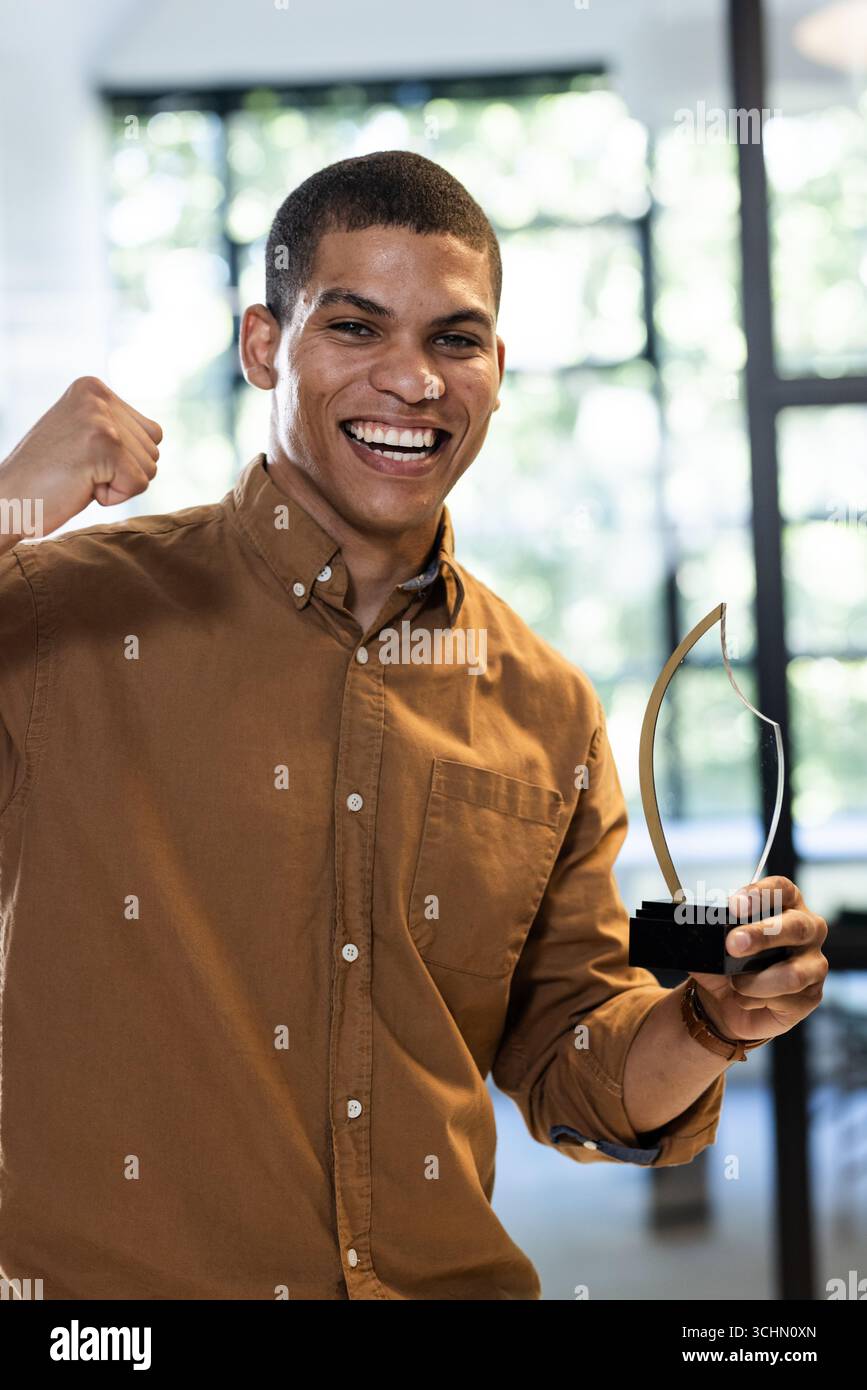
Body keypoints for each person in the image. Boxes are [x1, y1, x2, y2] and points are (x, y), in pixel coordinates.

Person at [0, 149, 828, 1300]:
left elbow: (571, 1061)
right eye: (355, 327)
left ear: (495, 368)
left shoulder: (544, 703)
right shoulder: (61, 617)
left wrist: (711, 1021)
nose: (413, 381)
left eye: (454, 339)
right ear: (262, 346)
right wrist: (7, 500)